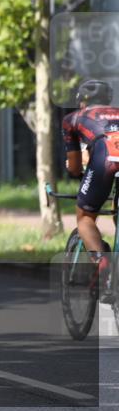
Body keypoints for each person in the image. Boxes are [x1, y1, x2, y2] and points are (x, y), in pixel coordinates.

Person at [62, 79, 119, 298]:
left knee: (85, 218)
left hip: (105, 161)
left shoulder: (73, 119)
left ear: (82, 101)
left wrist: (76, 169)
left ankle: (102, 263)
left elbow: (75, 166)